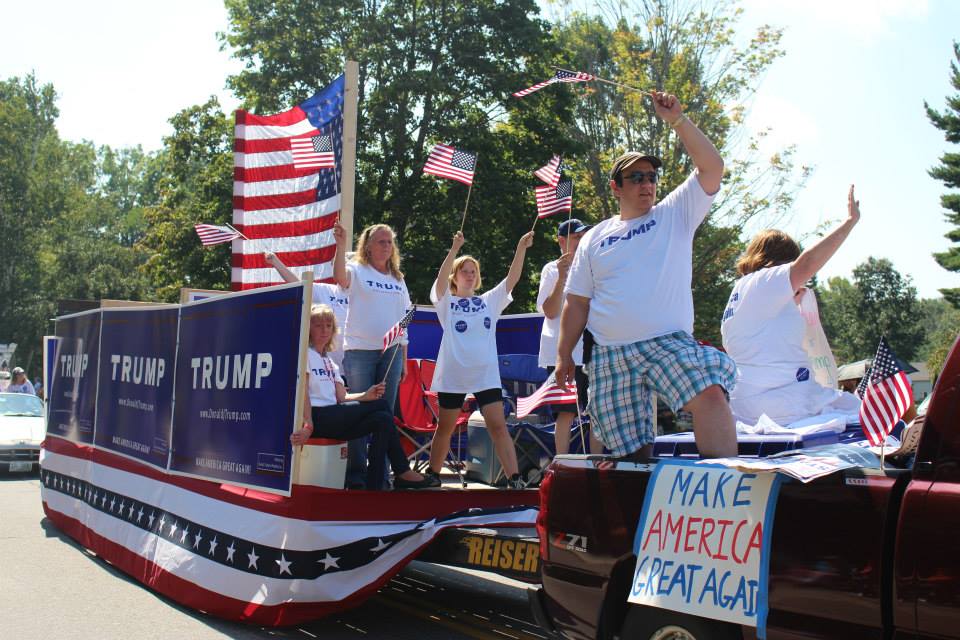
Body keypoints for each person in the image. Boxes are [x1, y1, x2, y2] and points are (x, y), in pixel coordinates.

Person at [556, 91, 737, 460]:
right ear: (616, 187)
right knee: (630, 457)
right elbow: (576, 303)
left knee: (709, 393)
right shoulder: (594, 237)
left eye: (652, 176)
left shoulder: (674, 213)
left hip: (666, 343)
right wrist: (564, 355)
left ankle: (726, 494)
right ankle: (635, 510)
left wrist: (678, 120)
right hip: (610, 355)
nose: (647, 184)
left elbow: (713, 168)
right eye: (635, 177)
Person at [721, 186, 862, 425]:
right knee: (879, 417)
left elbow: (762, 342)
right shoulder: (766, 280)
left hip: (751, 405)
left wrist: (791, 300)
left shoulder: (741, 293)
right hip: (785, 403)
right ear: (778, 262)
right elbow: (807, 263)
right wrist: (850, 222)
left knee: (857, 406)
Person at [425, 230, 534, 489]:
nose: (470, 275)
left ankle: (514, 478)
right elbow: (439, 286)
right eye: (464, 270)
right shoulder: (446, 302)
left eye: (473, 271)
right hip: (453, 374)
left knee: (498, 426)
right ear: (455, 276)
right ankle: (433, 475)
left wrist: (521, 248)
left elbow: (512, 280)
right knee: (446, 427)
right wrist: (454, 249)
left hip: (485, 375)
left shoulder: (488, 302)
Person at [289, 304, 433, 490]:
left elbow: (342, 397)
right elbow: (302, 393)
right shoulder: (305, 355)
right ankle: (402, 470)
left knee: (382, 419)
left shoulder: (329, 361)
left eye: (328, 325)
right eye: (318, 325)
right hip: (317, 417)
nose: (324, 330)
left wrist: (366, 395)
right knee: (382, 406)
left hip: (335, 417)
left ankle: (374, 486)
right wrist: (308, 424)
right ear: (308, 329)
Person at [333, 222, 412, 488]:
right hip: (359, 352)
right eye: (381, 241)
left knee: (385, 415)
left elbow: (407, 316)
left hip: (391, 354)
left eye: (389, 242)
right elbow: (339, 278)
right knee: (358, 412)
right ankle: (355, 474)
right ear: (367, 245)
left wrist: (403, 354)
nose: (386, 246)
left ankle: (381, 475)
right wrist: (341, 244)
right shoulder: (357, 269)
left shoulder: (398, 278)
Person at [537, 219, 602, 456]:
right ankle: (562, 463)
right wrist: (562, 277)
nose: (581, 241)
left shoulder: (594, 265)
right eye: (576, 237)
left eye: (584, 236)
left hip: (593, 350)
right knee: (565, 412)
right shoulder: (551, 269)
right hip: (562, 353)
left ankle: (597, 465)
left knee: (598, 411)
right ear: (561, 241)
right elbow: (550, 311)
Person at [264, 251, 349, 367]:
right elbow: (299, 285)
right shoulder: (325, 290)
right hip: (327, 362)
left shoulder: (364, 294)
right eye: (339, 265)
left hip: (358, 360)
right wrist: (275, 262)